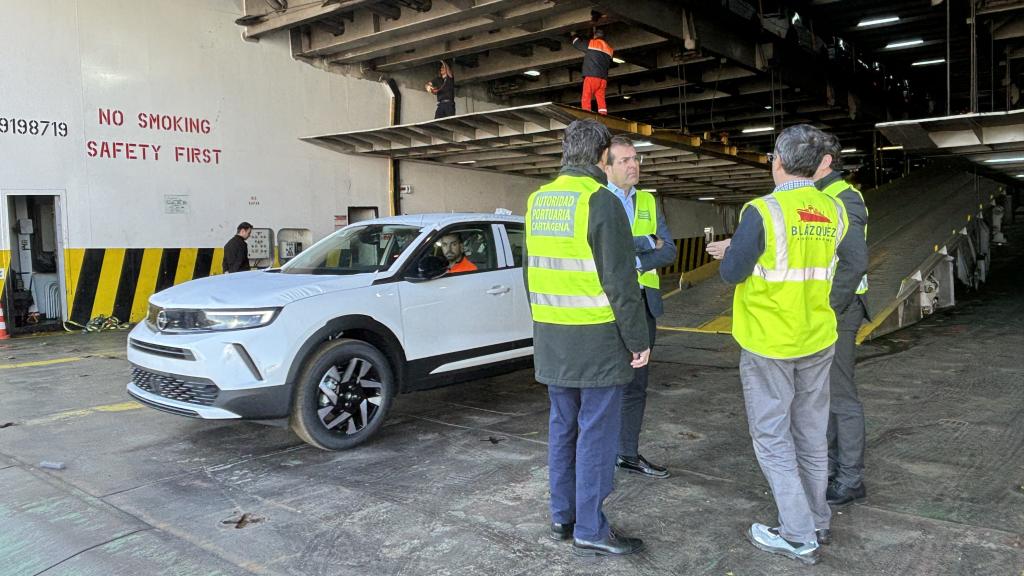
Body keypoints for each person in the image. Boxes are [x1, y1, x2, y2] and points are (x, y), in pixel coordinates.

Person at [706, 124, 854, 565]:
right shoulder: (834, 211)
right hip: (816, 336)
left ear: (778, 161)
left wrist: (732, 252)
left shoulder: (762, 211)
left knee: (772, 438)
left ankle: (796, 533)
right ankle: (818, 519)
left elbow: (734, 273)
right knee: (810, 435)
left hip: (770, 340)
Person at [525, 119, 650, 557]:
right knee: (596, 434)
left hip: (553, 336)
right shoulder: (601, 201)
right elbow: (620, 282)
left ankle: (563, 516)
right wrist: (638, 339)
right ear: (601, 157)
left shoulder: (538, 200)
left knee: (563, 428)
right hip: (596, 340)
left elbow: (531, 273)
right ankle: (592, 528)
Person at [602, 136, 677, 479]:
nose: (634, 166)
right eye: (625, 161)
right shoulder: (597, 200)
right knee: (604, 383)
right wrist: (644, 244)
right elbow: (601, 251)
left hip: (644, 304)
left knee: (636, 384)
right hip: (608, 306)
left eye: (636, 159)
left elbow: (668, 250)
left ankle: (627, 454)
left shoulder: (648, 200)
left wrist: (628, 258)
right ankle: (599, 454)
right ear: (606, 166)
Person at [813, 136, 871, 507]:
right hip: (827, 308)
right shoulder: (821, 196)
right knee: (827, 395)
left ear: (828, 160)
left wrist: (829, 307)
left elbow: (855, 263)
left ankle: (850, 478)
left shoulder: (845, 198)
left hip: (840, 308)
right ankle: (834, 470)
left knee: (841, 395)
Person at [571, 29, 613, 115]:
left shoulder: (592, 43)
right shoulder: (609, 49)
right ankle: (603, 115)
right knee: (601, 99)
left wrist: (574, 35)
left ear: (595, 36)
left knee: (586, 96)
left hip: (592, 76)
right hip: (603, 79)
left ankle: (586, 115)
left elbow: (577, 43)